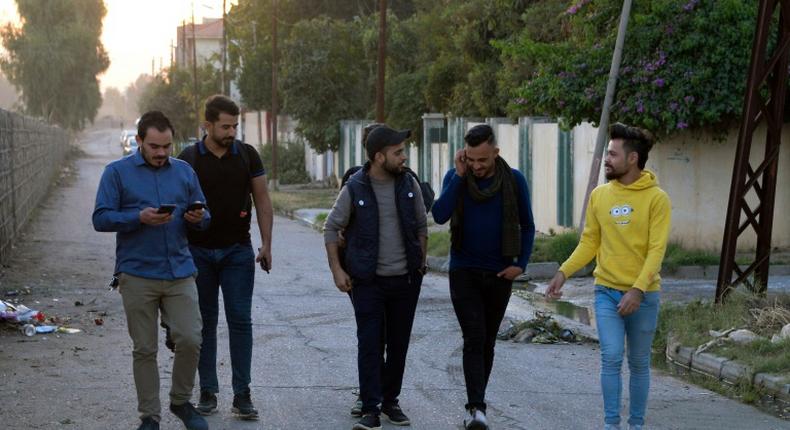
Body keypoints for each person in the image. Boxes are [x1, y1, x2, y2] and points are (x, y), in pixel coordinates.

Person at [545, 123, 671, 430]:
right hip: (606, 292)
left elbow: (657, 250)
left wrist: (638, 290)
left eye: (612, 154)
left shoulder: (657, 199)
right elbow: (590, 242)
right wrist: (564, 272)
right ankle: (611, 425)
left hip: (644, 296)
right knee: (612, 357)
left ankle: (636, 425)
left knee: (639, 363)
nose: (607, 159)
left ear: (632, 159)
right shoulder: (599, 196)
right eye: (607, 154)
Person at [93, 111, 211, 430]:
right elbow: (100, 218)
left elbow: (204, 212)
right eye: (155, 146)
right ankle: (150, 416)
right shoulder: (116, 173)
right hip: (137, 273)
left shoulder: (184, 172)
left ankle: (181, 401)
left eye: (167, 146)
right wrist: (137, 218)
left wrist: (199, 218)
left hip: (180, 271)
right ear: (140, 141)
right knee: (144, 348)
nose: (161, 153)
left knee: (190, 337)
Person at [324, 125, 428, 430]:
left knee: (398, 344)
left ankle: (391, 402)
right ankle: (370, 408)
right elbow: (331, 228)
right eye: (398, 152)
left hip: (405, 281)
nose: (403, 157)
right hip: (367, 281)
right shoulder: (355, 187)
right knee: (370, 343)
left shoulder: (409, 183)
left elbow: (422, 226)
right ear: (379, 156)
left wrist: (419, 263)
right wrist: (337, 270)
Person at [432, 124, 535, 430]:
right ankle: (476, 408)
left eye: (483, 160)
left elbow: (527, 226)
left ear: (496, 153)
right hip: (463, 270)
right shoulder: (458, 178)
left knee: (487, 341)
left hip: (500, 274)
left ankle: (478, 402)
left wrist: (522, 264)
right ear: (465, 154)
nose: (477, 166)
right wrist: (459, 176)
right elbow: (439, 214)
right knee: (474, 337)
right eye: (472, 159)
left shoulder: (514, 180)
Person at [177, 94, 273, 420]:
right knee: (203, 324)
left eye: (235, 125)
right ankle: (207, 390)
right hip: (198, 253)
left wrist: (267, 244)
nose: (232, 132)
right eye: (225, 126)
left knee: (240, 322)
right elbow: (175, 203)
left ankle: (242, 393)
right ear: (207, 125)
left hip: (237, 251)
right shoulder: (188, 158)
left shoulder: (247, 155)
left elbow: (262, 199)